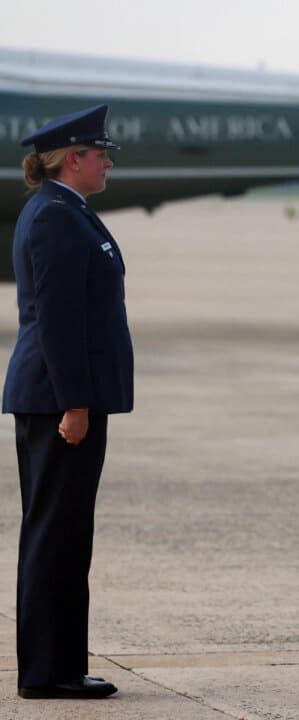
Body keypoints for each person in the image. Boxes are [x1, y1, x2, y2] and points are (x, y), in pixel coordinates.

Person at [3, 104, 131, 700]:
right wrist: (74, 405)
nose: (108, 160)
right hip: (58, 402)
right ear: (72, 158)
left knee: (64, 533)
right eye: (100, 152)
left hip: (61, 398)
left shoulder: (65, 210)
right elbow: (56, 322)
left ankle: (60, 667)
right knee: (56, 533)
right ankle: (46, 674)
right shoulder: (55, 217)